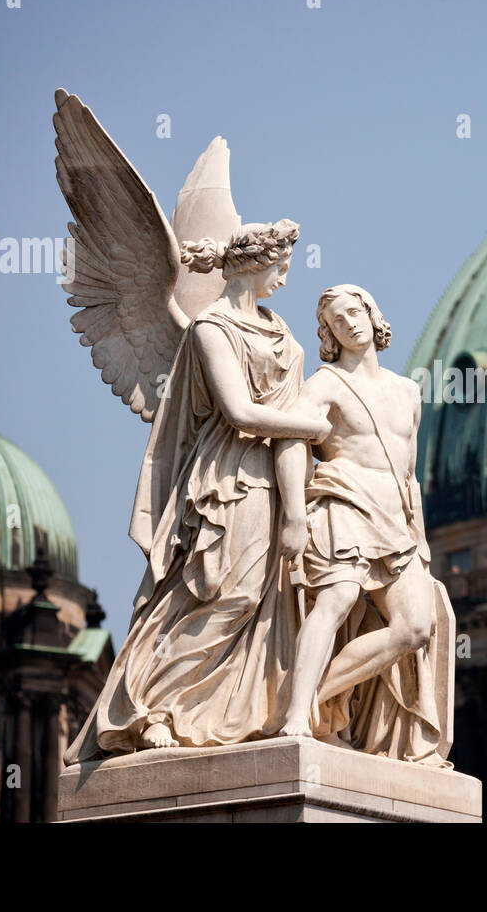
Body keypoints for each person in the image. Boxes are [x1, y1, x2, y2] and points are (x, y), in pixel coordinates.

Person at [64, 220, 329, 762]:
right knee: (223, 593)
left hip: (279, 474)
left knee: (265, 600)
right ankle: (149, 704)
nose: (283, 278)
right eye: (280, 267)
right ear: (255, 264)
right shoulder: (210, 328)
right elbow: (237, 411)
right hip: (228, 476)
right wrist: (313, 428)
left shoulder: (280, 330)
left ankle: (225, 710)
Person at [277, 284, 454, 765]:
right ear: (329, 334)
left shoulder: (408, 391)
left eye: (355, 312)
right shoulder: (326, 383)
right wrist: (294, 514)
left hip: (395, 517)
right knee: (337, 599)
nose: (350, 323)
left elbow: (409, 473)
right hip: (345, 501)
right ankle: (295, 715)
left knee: (416, 627)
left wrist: (419, 541)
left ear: (373, 315)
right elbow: (290, 440)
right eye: (337, 321)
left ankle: (312, 699)